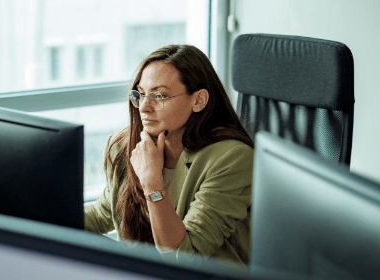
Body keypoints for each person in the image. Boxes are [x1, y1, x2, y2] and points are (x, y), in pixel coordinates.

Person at [84, 44, 254, 266]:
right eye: (141, 94)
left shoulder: (232, 158)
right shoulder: (125, 146)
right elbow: (103, 214)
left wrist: (152, 183)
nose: (144, 107)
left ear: (198, 100)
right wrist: (36, 212)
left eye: (159, 95)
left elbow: (185, 256)